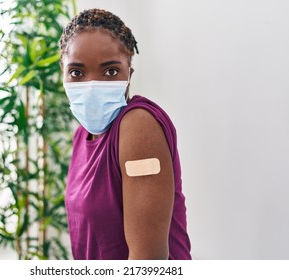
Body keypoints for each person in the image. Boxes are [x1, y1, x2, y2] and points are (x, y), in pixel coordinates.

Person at [59, 8, 191, 260]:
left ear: (128, 75)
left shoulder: (138, 126)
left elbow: (148, 262)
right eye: (77, 72)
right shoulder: (81, 136)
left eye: (110, 71)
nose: (92, 85)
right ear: (62, 72)